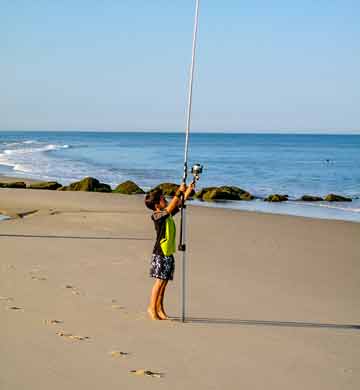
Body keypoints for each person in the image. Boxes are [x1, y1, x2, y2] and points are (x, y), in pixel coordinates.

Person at [144, 182, 195, 320]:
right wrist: (178, 191)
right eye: (162, 199)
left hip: (168, 253)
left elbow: (177, 204)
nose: (165, 200)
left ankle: (160, 309)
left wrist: (188, 191)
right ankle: (152, 308)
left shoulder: (166, 214)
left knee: (164, 282)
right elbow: (171, 207)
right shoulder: (157, 216)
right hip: (160, 253)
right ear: (156, 205)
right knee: (159, 282)